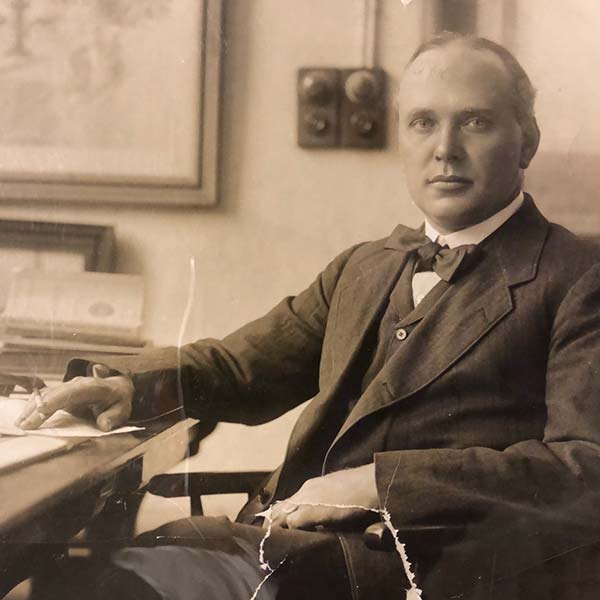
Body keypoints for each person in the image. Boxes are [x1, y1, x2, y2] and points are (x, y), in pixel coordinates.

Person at [16, 33, 600, 599]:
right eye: (423, 122)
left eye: (474, 121)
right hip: (283, 546)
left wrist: (379, 485)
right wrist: (128, 384)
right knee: (80, 579)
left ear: (526, 142)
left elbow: (583, 469)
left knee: (107, 583)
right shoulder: (365, 267)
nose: (444, 147)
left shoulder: (574, 277)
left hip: (425, 571)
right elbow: (243, 367)